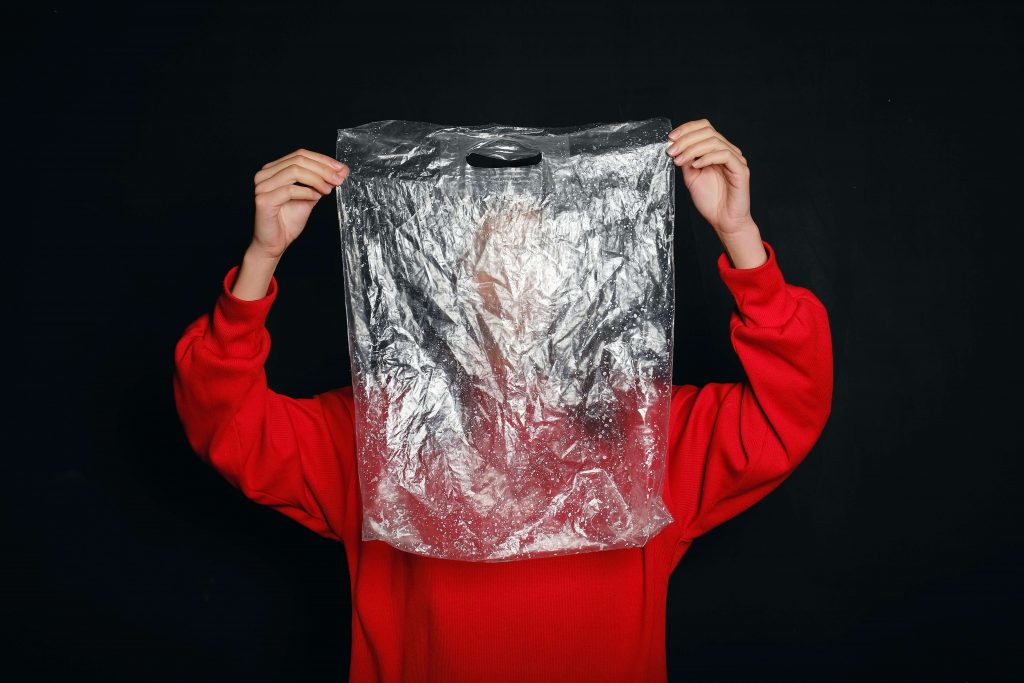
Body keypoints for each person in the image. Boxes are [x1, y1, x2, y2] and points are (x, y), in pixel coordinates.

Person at [173, 118, 833, 682]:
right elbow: (224, 422)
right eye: (493, 261)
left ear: (580, 287)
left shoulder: (646, 438)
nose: (516, 287)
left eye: (539, 259)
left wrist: (740, 236)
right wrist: (261, 259)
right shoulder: (383, 438)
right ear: (451, 287)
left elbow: (788, 412)